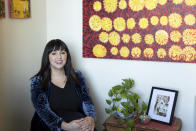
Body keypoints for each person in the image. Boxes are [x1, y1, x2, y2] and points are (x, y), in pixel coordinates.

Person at [30, 39, 96, 131]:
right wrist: (65, 126)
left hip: (78, 123)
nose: (59, 57)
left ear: (67, 55)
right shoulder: (37, 81)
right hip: (48, 126)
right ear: (47, 57)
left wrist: (91, 118)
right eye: (54, 53)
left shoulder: (77, 76)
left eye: (62, 52)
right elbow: (43, 111)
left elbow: (87, 101)